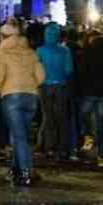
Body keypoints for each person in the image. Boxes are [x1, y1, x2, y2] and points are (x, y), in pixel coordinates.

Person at [0, 19, 46, 187]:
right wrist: (30, 86)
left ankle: (25, 173)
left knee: (19, 136)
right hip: (30, 98)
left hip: (12, 97)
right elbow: (42, 76)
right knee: (20, 135)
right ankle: (15, 170)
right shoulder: (31, 52)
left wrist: (0, 90)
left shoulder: (3, 54)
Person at [36, 22, 74, 160]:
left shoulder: (40, 51)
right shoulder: (65, 51)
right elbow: (69, 70)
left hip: (44, 86)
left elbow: (36, 70)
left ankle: (49, 147)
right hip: (61, 86)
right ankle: (63, 147)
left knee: (48, 117)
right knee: (62, 118)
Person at [77, 31, 103, 167]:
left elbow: (82, 74)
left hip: (89, 92)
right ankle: (101, 155)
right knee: (101, 124)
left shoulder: (86, 55)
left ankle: (88, 143)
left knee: (84, 118)